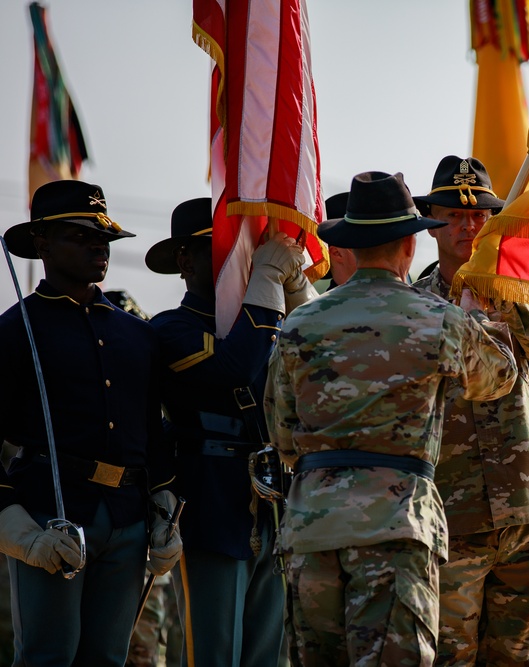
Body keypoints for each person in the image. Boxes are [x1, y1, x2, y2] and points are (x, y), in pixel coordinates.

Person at [265, 170, 519, 666]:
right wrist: (482, 317)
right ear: (409, 243)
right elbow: (498, 380)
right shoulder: (437, 318)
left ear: (353, 247)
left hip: (311, 528)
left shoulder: (301, 322)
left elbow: (282, 432)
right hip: (397, 528)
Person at [0, 179, 181, 665]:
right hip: (50, 515)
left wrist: (165, 502)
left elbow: (150, 432)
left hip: (127, 516)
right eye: (79, 236)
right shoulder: (16, 329)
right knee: (47, 656)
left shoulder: (137, 335)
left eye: (102, 238)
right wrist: (14, 523)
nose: (97, 247)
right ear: (41, 243)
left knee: (107, 659)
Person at [412, 155, 529, 666]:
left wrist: (505, 297)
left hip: (526, 506)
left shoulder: (525, 288)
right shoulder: (416, 303)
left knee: (517, 658)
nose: (468, 225)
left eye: (480, 215)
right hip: (452, 509)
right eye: (455, 214)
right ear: (432, 223)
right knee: (449, 656)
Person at [144, 197, 317, 667]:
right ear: (186, 260)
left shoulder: (266, 323)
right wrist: (265, 281)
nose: (240, 262)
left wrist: (296, 286)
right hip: (210, 506)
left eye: (248, 251)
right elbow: (236, 366)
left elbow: (324, 361)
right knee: (215, 655)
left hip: (273, 507)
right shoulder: (170, 328)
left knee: (268, 656)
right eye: (224, 250)